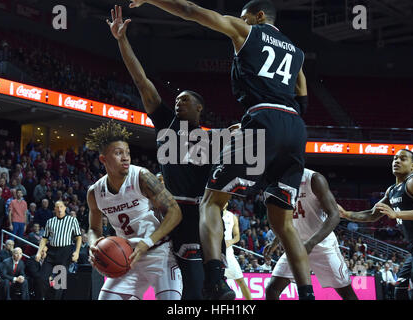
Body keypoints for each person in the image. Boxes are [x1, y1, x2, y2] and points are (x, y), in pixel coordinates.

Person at [130, 0, 313, 299]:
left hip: (262, 117)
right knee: (283, 222)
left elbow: (191, 11)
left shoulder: (247, 30)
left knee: (211, 202)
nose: (242, 22)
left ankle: (215, 281)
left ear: (259, 16)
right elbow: (302, 97)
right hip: (295, 128)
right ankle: (307, 293)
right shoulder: (297, 52)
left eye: (246, 18)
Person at [107, 5, 223, 299]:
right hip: (166, 214)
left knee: (198, 291)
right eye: (177, 99)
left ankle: (218, 281)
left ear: (199, 109)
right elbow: (140, 81)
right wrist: (122, 40)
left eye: (184, 100)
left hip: (197, 215)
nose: (177, 103)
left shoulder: (212, 142)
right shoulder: (166, 124)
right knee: (179, 291)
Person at [86, 120, 183, 300]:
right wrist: (93, 245)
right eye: (118, 153)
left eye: (127, 153)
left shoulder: (142, 177)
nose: (125, 158)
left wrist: (147, 241)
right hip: (127, 258)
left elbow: (175, 211)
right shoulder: (95, 192)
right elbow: (93, 229)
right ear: (103, 159)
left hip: (160, 253)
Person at [339, 149, 413, 300]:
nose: (397, 161)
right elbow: (372, 215)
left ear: (412, 166)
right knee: (400, 293)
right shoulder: (391, 191)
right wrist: (346, 214)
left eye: (403, 159)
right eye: (395, 158)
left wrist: (397, 214)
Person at [264, 169, 358, 300]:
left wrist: (310, 243)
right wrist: (276, 241)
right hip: (296, 245)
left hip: (322, 246)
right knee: (272, 290)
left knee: (347, 293)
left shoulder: (314, 179)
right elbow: (286, 220)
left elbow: (335, 215)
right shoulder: (278, 182)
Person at [35, 200, 82, 300]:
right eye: (57, 207)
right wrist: (39, 252)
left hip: (65, 252)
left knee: (59, 283)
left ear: (65, 208)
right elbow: (44, 238)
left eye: (61, 206)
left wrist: (77, 252)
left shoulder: (72, 220)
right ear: (54, 209)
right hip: (51, 252)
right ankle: (46, 297)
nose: (59, 209)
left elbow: (78, 237)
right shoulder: (50, 221)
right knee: (42, 279)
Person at [222, 203, 252, 300]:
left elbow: (237, 237)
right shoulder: (211, 214)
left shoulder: (232, 217)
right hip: (214, 253)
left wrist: (230, 241)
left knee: (241, 282)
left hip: (229, 254)